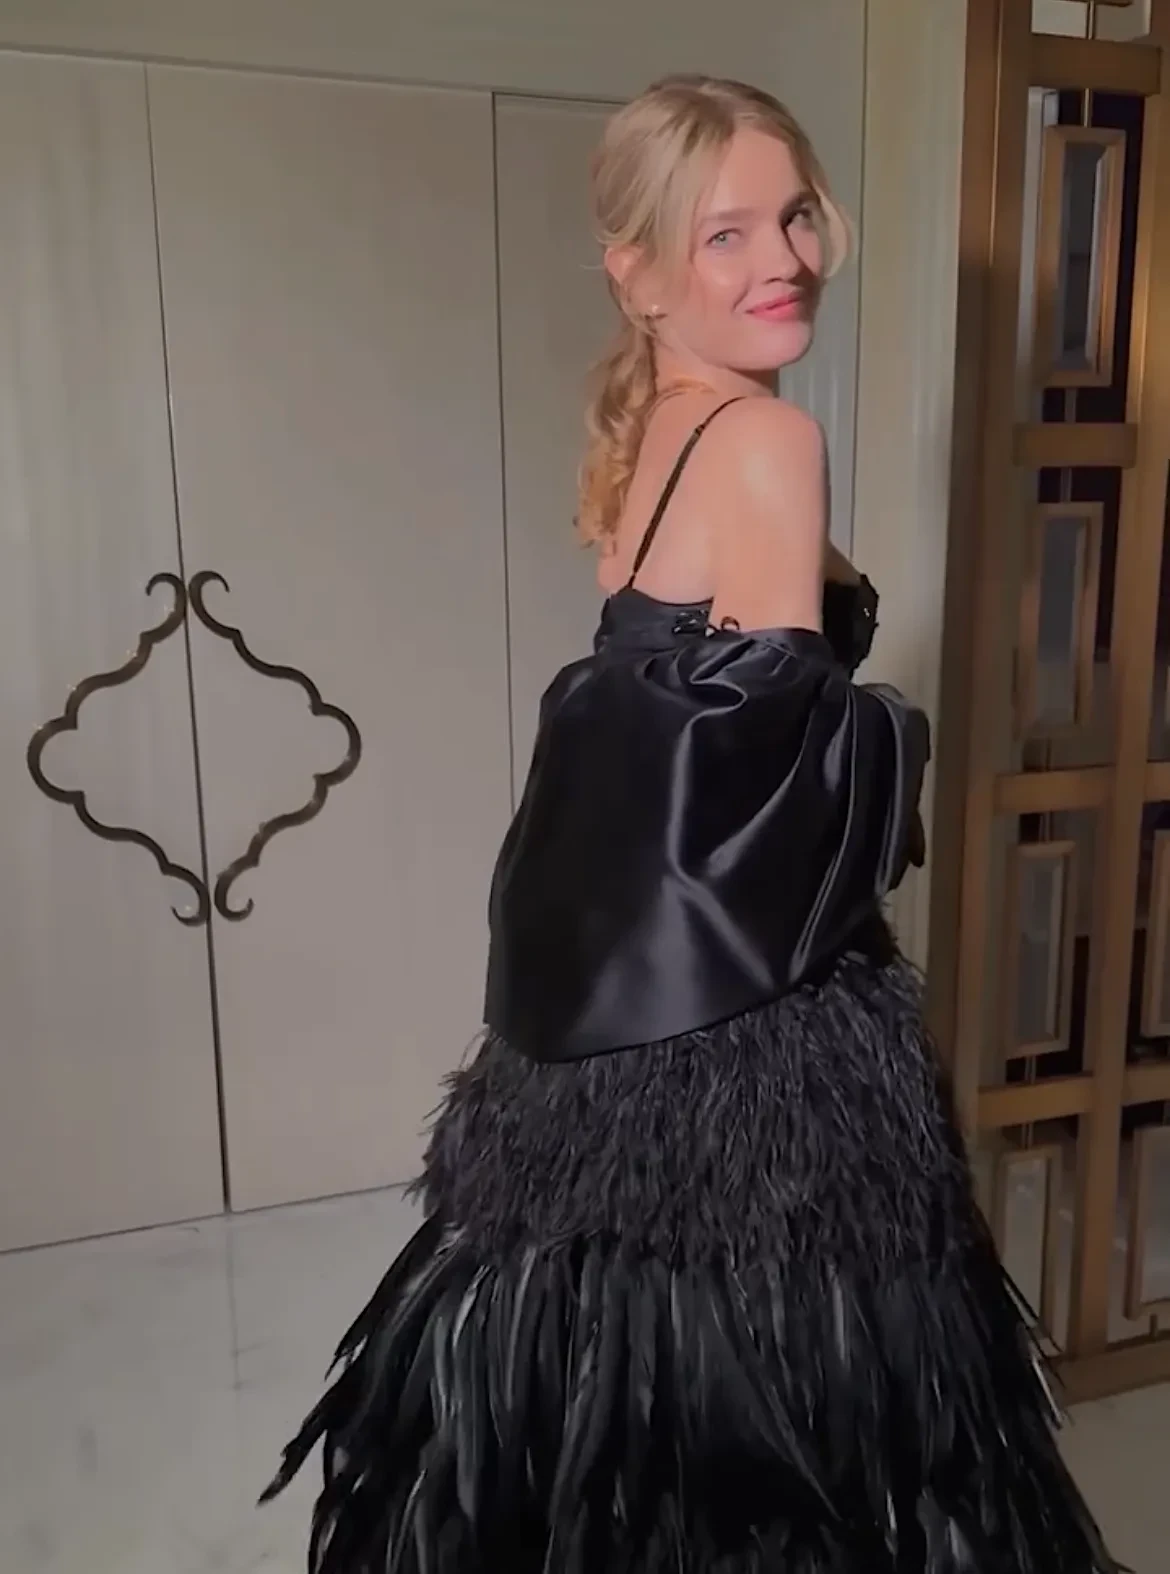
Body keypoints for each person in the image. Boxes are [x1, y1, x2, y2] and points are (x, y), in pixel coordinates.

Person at [263, 76, 1120, 1574]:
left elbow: (674, 711)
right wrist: (892, 728)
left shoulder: (650, 424)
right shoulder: (768, 440)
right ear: (638, 272)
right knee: (805, 1404)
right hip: (748, 1007)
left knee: (605, 1375)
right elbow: (771, 776)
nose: (781, 260)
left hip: (598, 1006)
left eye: (793, 216)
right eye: (725, 234)